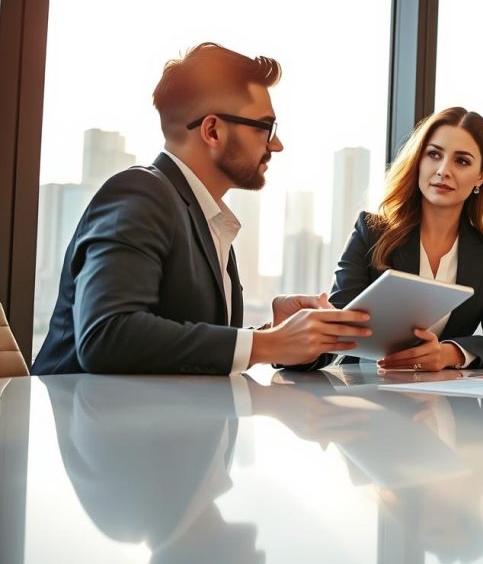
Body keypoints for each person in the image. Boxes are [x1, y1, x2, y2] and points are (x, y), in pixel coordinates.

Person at [32, 43, 369, 375]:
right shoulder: (138, 193)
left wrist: (272, 333)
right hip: (86, 423)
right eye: (264, 127)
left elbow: (177, 347)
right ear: (212, 130)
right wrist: (269, 345)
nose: (276, 144)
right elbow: (107, 335)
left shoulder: (206, 218)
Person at [308, 107, 483, 371]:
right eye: (434, 155)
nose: (443, 170)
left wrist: (450, 354)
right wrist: (295, 349)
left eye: (462, 161)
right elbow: (337, 325)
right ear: (419, 160)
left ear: (482, 175)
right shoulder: (371, 231)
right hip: (366, 391)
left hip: (447, 401)